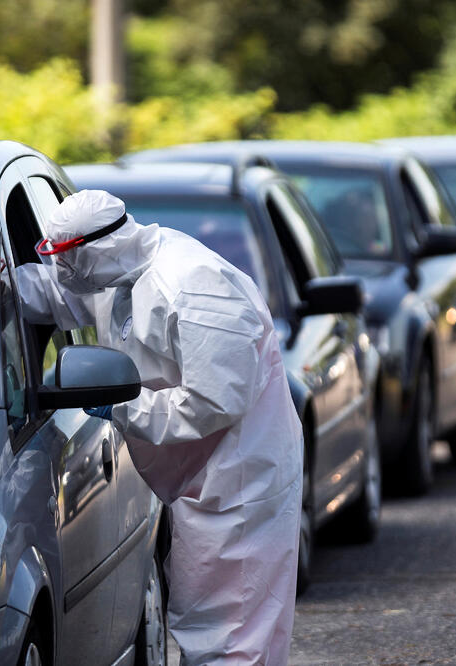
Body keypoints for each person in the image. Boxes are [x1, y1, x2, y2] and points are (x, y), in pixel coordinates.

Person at [15, 190, 303, 666]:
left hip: (241, 483)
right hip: (197, 480)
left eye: (68, 259)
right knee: (202, 620)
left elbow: (215, 401)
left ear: (96, 248)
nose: (63, 272)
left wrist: (123, 407)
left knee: (236, 634)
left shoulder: (197, 286)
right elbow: (58, 295)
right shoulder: (117, 272)